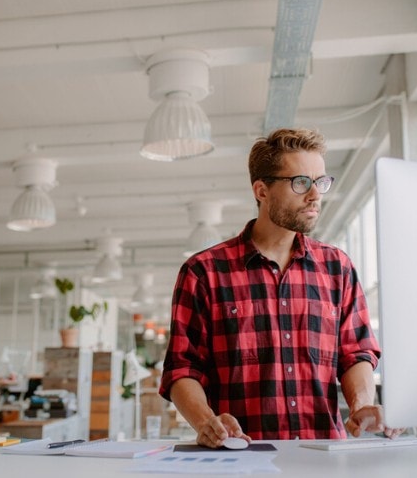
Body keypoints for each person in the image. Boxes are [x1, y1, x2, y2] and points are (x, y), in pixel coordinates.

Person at [159, 128, 403, 447]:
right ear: (262, 190)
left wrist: (361, 406)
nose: (315, 195)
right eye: (301, 182)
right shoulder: (204, 271)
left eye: (321, 182)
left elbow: (355, 352)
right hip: (240, 458)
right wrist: (207, 423)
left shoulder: (337, 268)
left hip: (323, 458)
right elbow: (182, 368)